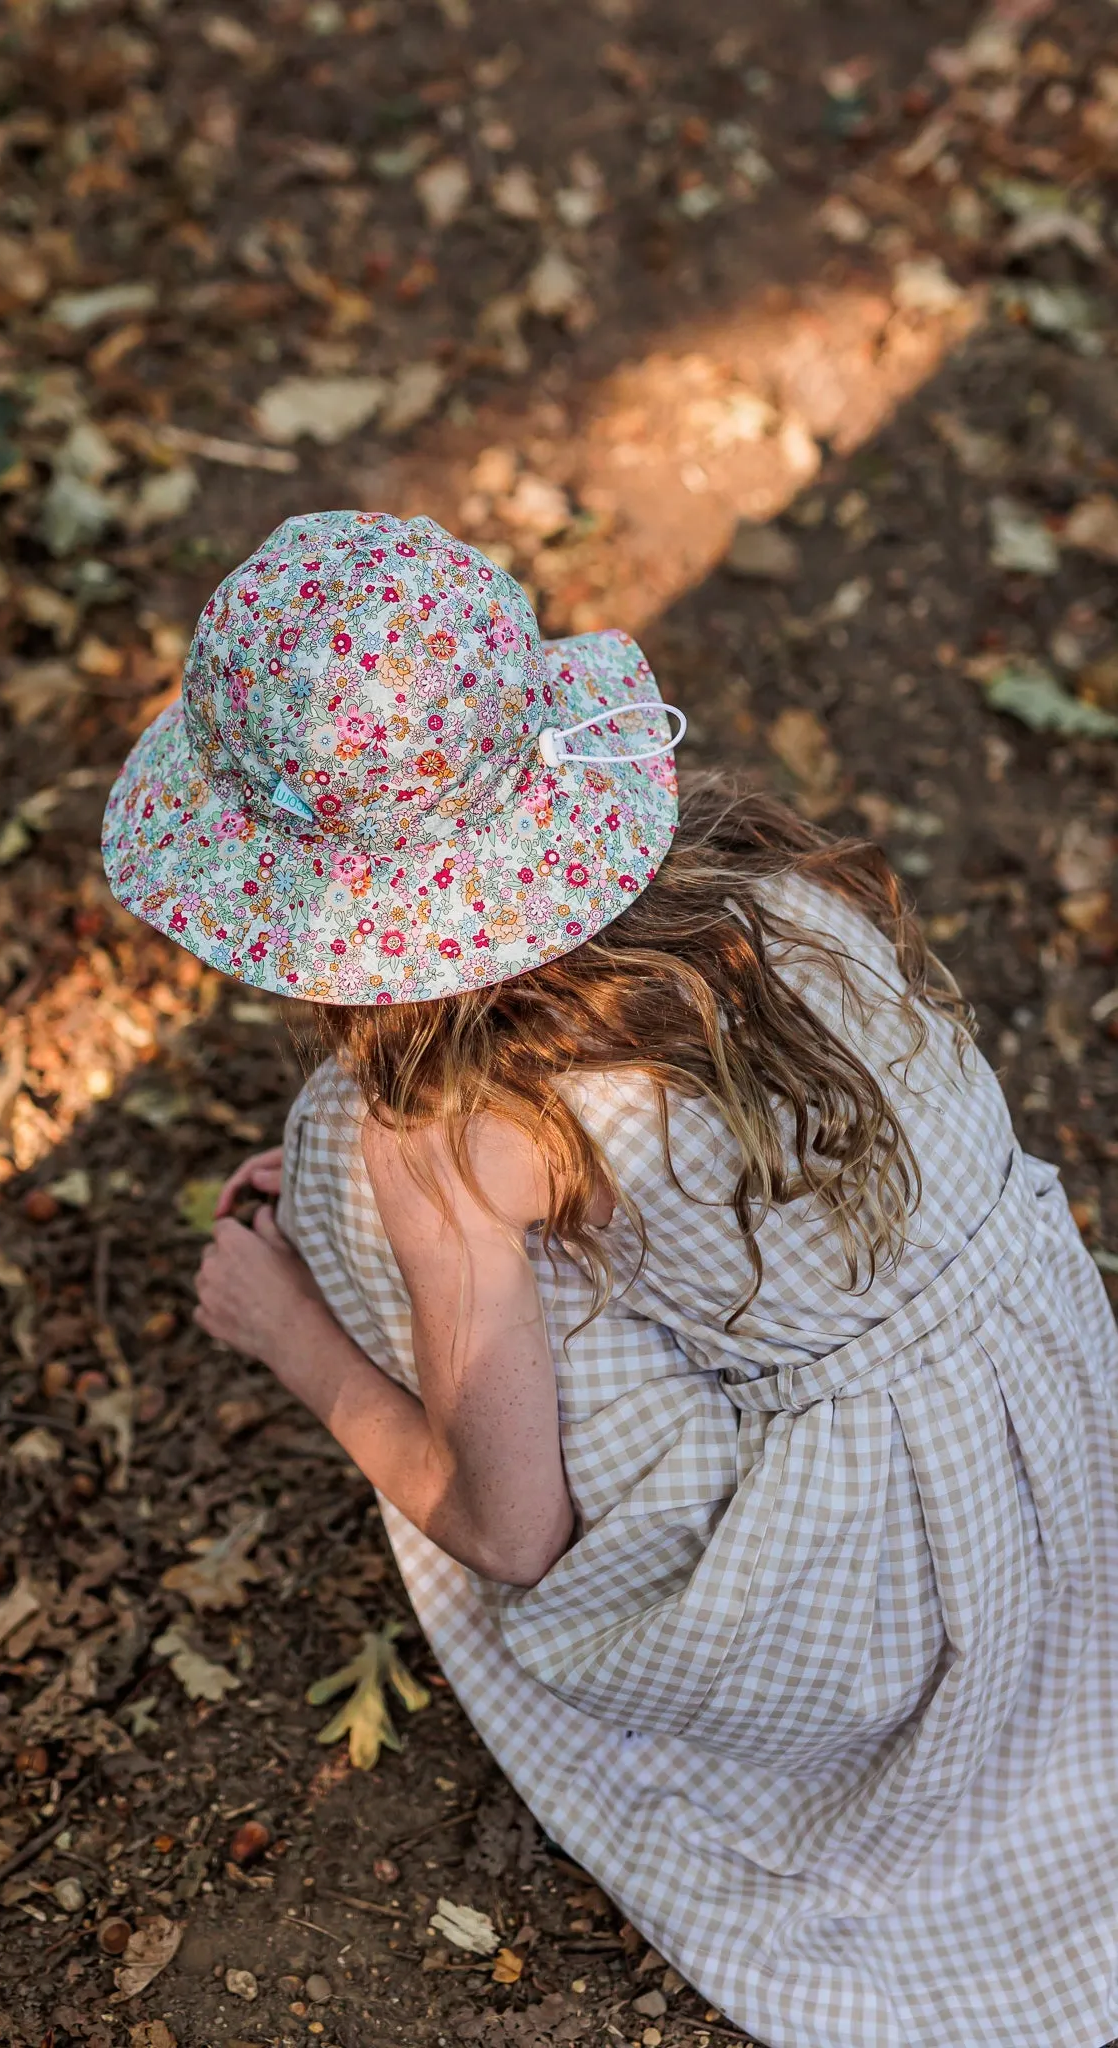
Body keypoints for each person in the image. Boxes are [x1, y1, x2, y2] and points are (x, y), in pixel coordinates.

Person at [102, 509, 1118, 2048]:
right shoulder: (754, 884)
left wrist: (294, 1332)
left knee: (346, 1157)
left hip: (879, 1594)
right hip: (1056, 1413)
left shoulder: (437, 1137)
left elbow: (511, 1536)